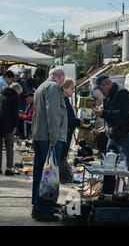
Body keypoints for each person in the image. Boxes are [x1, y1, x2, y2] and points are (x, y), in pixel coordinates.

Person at [93, 76, 129, 202]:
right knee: (109, 167)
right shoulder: (108, 97)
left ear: (108, 84)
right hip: (113, 136)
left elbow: (123, 114)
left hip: (125, 136)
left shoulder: (122, 93)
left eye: (101, 88)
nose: (100, 91)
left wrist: (104, 113)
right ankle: (107, 195)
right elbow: (110, 116)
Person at [31, 68, 67, 222]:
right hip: (48, 136)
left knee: (41, 171)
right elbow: (52, 112)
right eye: (62, 80)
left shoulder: (41, 87)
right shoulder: (52, 87)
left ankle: (40, 204)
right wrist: (54, 136)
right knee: (48, 174)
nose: (62, 84)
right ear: (58, 77)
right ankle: (42, 208)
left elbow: (36, 114)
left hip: (40, 135)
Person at [60, 78, 82, 184]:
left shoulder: (65, 99)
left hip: (66, 133)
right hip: (64, 133)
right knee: (62, 157)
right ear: (64, 88)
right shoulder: (63, 100)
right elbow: (66, 120)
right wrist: (78, 122)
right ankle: (62, 178)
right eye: (72, 88)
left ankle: (63, 177)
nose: (73, 90)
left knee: (63, 156)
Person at [0, 83, 23, 176]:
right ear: (17, 91)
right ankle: (9, 168)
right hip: (8, 126)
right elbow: (15, 113)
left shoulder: (1, 94)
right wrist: (15, 126)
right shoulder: (14, 97)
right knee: (9, 147)